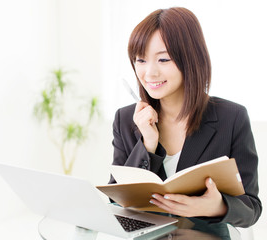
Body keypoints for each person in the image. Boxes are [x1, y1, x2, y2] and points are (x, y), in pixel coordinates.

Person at [109, 7, 262, 228]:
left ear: (191, 59)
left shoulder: (232, 118)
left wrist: (216, 206)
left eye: (163, 60)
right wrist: (147, 145)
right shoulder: (126, 119)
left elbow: (251, 209)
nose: (149, 73)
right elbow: (116, 200)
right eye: (140, 60)